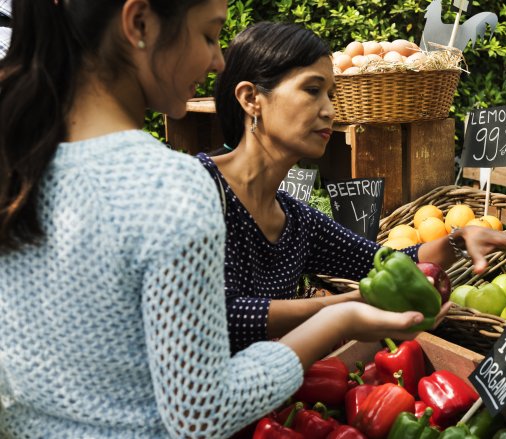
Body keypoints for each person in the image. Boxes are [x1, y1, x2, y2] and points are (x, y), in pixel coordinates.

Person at [0, 1, 441, 437]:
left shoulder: (21, 164)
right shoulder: (171, 186)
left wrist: (453, 246)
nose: (217, 60)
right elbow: (201, 414)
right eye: (208, 35)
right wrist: (337, 318)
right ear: (139, 23)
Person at [200, 21, 506, 353]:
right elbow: (213, 315)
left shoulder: (295, 220)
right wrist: (341, 309)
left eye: (331, 94)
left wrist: (459, 241)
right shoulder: (197, 187)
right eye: (312, 90)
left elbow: (384, 262)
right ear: (250, 99)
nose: (330, 111)